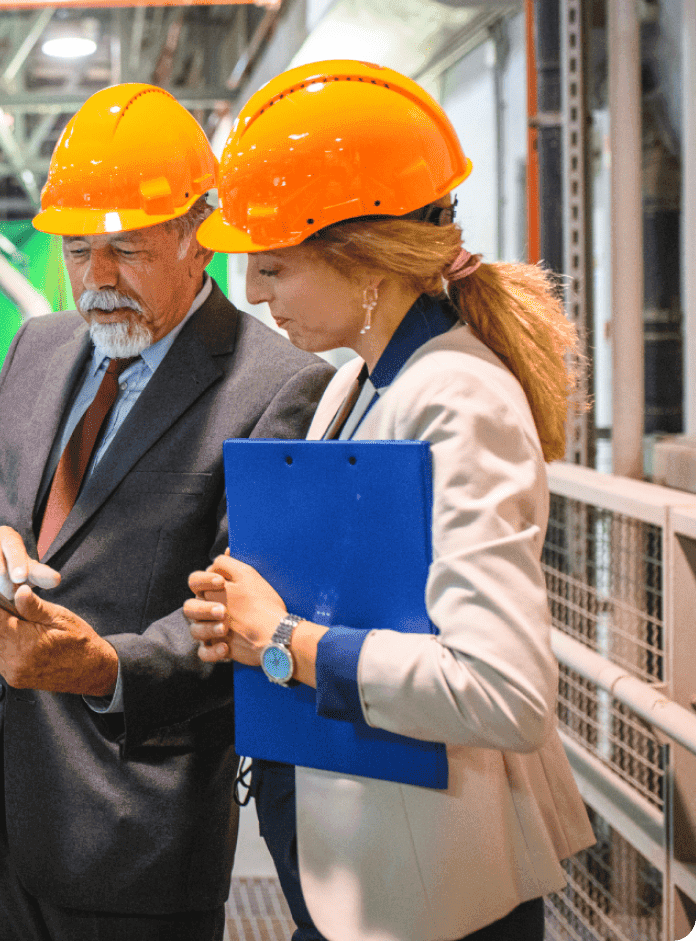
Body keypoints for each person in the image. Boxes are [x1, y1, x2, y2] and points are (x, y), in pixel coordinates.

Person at [184, 60, 595, 941]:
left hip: (432, 902)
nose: (253, 292)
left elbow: (503, 692)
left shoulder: (457, 398)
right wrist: (248, 614)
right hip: (358, 872)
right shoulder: (356, 386)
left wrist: (284, 641)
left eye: (276, 266)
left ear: (363, 260)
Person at [0, 83, 335, 941]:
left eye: (126, 250)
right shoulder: (38, 349)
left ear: (199, 242)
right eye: (79, 252)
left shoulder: (277, 388)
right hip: (2, 800)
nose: (97, 278)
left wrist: (105, 667)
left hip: (135, 833)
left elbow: (251, 615)